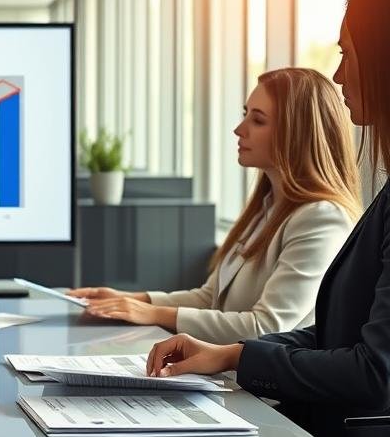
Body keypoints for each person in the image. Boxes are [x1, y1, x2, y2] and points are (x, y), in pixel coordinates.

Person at [146, 0, 390, 437]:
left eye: (347, 54)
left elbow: (374, 368)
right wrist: (230, 353)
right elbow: (336, 336)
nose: (339, 76)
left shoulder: (321, 217)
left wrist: (234, 354)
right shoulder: (274, 208)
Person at [69, 67, 360, 341]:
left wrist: (151, 313)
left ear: (296, 133)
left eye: (257, 120)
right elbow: (210, 298)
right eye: (245, 114)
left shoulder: (321, 218)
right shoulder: (268, 208)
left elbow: (266, 327)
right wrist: (131, 300)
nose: (239, 129)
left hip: (266, 393)